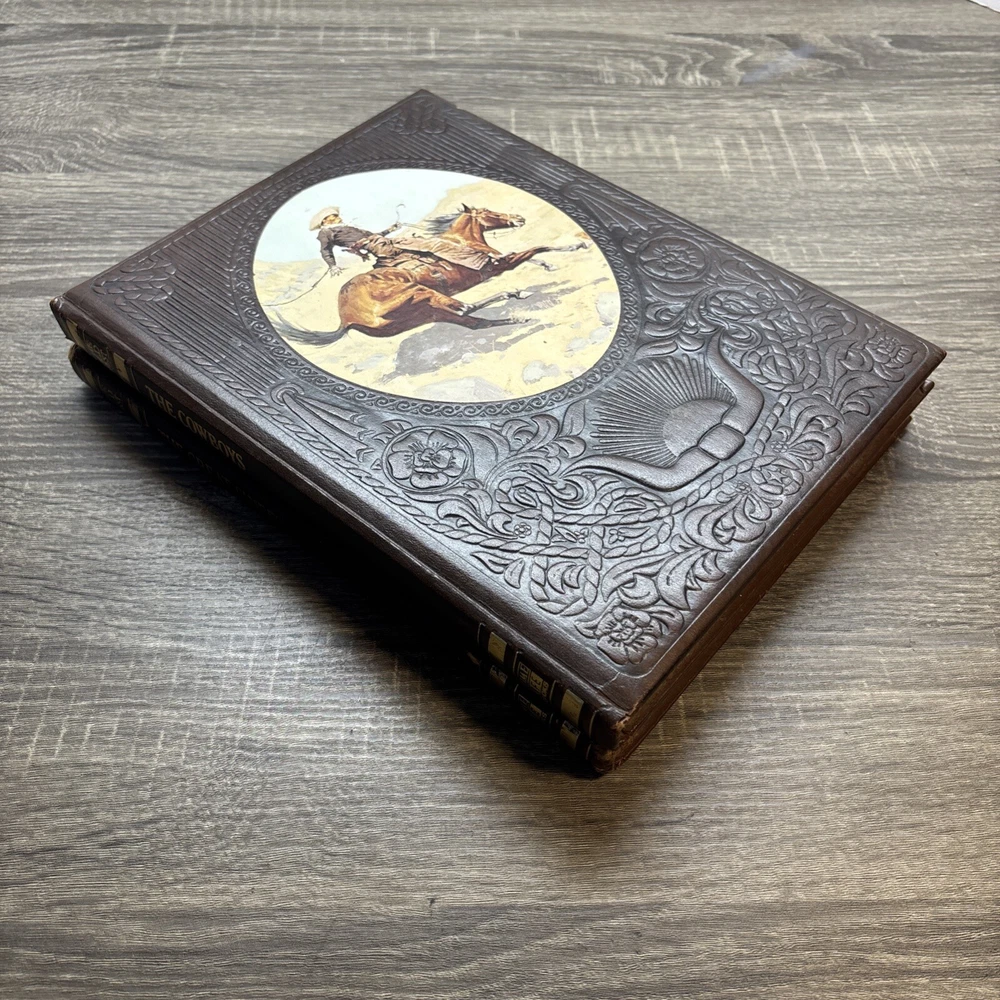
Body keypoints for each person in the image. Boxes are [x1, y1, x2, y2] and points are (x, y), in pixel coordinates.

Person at [308, 207, 401, 275]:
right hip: (375, 246)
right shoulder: (325, 232)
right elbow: (325, 250)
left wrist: (390, 230)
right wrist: (332, 265)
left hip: (377, 241)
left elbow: (373, 235)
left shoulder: (349, 228)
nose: (339, 218)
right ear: (325, 221)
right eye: (334, 216)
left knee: (404, 242)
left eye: (337, 216)